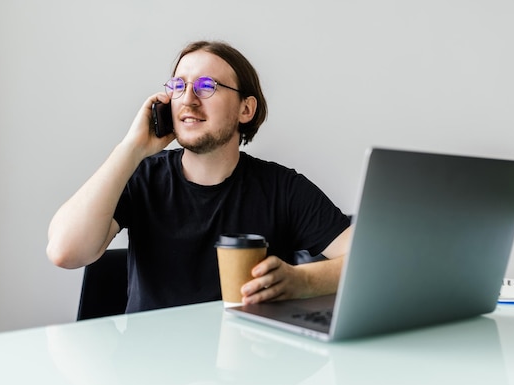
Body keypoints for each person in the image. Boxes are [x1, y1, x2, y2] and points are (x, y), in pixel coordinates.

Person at [46, 40, 352, 313]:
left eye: (207, 86)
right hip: (150, 366)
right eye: (178, 86)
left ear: (245, 109)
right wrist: (131, 148)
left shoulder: (283, 188)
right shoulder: (143, 176)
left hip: (250, 368)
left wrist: (303, 281)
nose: (188, 99)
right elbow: (65, 252)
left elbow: (372, 264)